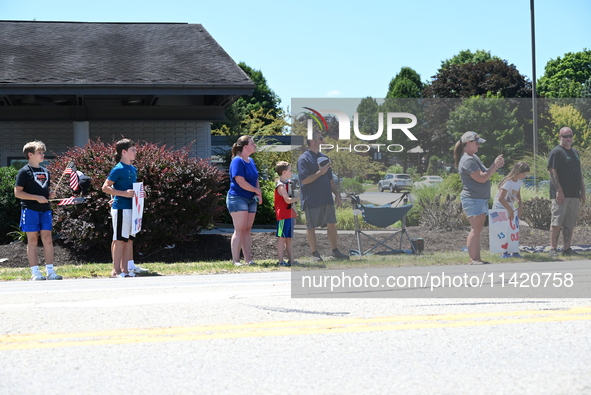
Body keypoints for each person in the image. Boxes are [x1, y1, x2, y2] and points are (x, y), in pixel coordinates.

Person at [14, 141, 63, 281]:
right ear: (30, 155)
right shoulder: (24, 171)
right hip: (29, 210)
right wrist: (36, 198)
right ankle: (35, 273)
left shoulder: (45, 171)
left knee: (47, 239)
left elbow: (46, 189)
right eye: (40, 152)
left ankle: (50, 271)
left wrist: (50, 193)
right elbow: (18, 193)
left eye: (43, 152)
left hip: (45, 210)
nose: (43, 155)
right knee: (32, 240)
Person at [454, 131, 504, 265]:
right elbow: (481, 178)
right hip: (473, 198)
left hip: (478, 198)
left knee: (478, 229)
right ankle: (474, 259)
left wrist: (495, 166)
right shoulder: (468, 160)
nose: (479, 146)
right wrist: (494, 165)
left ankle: (477, 258)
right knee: (475, 229)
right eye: (476, 143)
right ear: (468, 143)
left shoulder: (473, 157)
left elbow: (484, 173)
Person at [297, 131, 349, 262]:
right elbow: (304, 180)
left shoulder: (324, 157)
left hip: (326, 197)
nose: (323, 140)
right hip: (312, 199)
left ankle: (335, 252)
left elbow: (330, 179)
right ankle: (315, 254)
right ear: (312, 141)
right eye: (320, 138)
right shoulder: (303, 159)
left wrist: (337, 195)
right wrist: (320, 172)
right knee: (311, 227)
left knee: (332, 224)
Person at [101, 138, 146, 278]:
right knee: (120, 239)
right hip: (120, 208)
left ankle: (125, 270)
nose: (135, 152)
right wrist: (123, 194)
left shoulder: (133, 169)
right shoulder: (118, 168)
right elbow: (105, 187)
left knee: (129, 239)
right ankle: (116, 271)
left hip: (132, 208)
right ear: (124, 152)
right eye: (132, 150)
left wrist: (140, 193)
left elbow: (132, 189)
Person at [547, 127, 586, 257]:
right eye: (565, 136)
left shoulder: (574, 152)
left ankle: (567, 248)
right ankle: (553, 249)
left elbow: (578, 172)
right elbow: (552, 171)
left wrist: (583, 191)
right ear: (559, 137)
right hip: (561, 195)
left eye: (570, 135)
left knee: (570, 223)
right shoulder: (556, 152)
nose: (568, 138)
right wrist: (559, 190)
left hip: (574, 194)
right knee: (557, 221)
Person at [226, 136, 262, 266]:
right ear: (245, 146)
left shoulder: (251, 160)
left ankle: (248, 260)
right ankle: (236, 260)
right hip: (237, 198)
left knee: (247, 229)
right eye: (252, 143)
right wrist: (256, 191)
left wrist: (258, 192)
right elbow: (240, 181)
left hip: (251, 199)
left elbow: (255, 179)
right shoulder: (237, 161)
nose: (255, 145)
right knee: (239, 229)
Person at [492, 161, 530, 258]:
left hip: (510, 208)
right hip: (500, 208)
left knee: (513, 229)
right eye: (524, 174)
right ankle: (504, 252)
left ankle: (514, 250)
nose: (524, 176)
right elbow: (501, 198)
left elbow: (517, 194)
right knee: (503, 230)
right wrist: (509, 210)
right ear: (517, 172)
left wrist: (520, 205)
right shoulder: (507, 182)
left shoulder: (519, 182)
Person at [274, 161, 300, 266]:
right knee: (282, 238)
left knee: (289, 238)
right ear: (284, 172)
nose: (292, 172)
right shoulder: (280, 186)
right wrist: (300, 198)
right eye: (290, 170)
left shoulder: (287, 183)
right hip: (283, 215)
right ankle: (281, 261)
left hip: (289, 214)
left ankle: (291, 260)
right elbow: (287, 200)